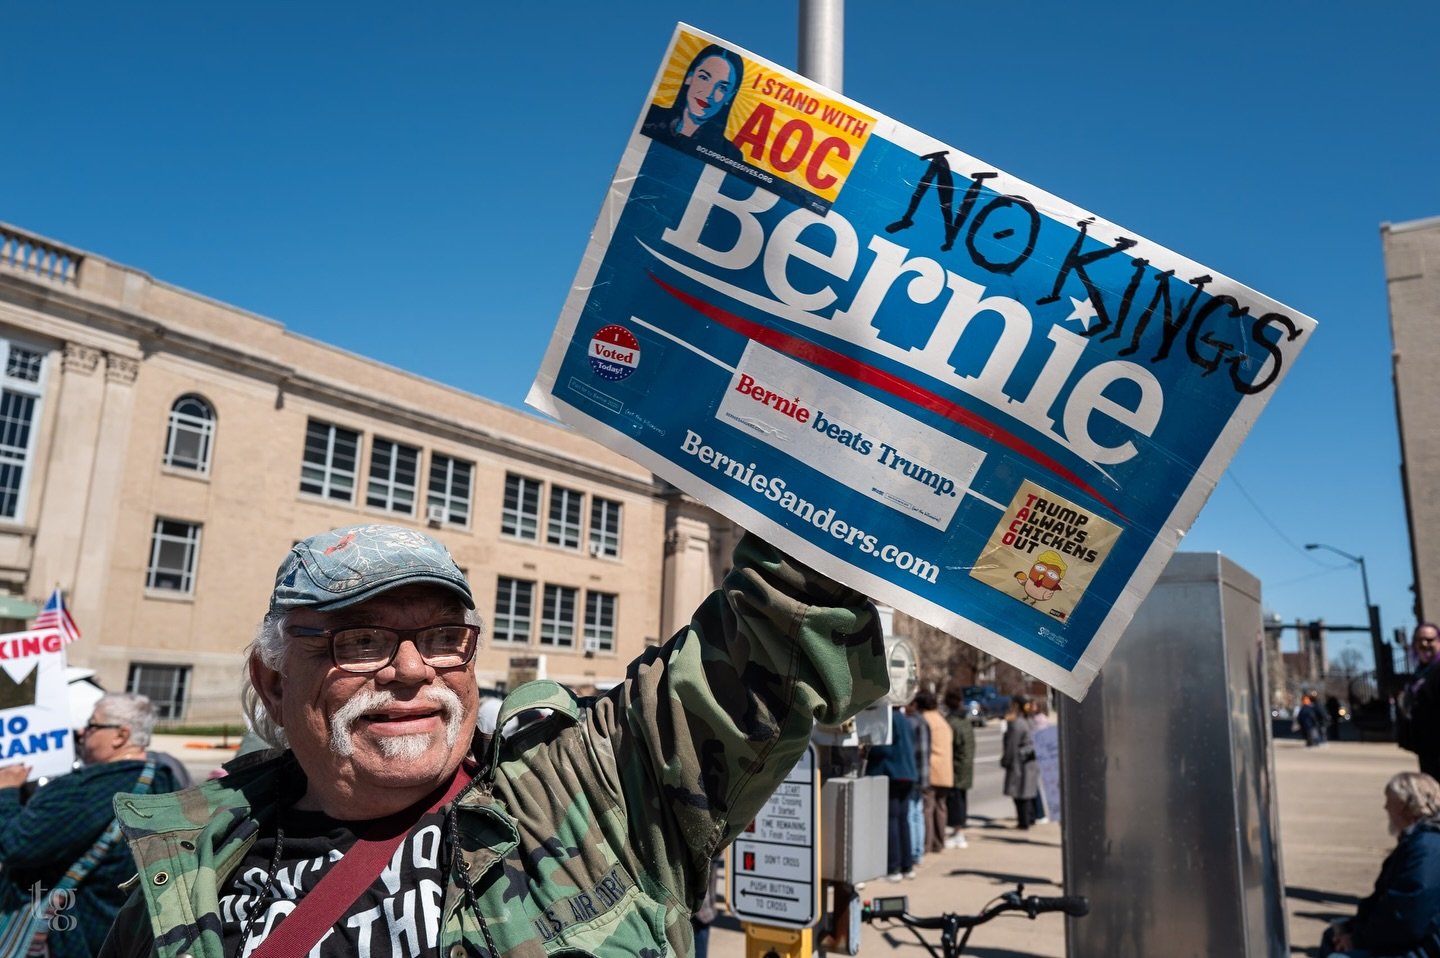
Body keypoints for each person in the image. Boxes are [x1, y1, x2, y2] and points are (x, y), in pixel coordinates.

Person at [101, 522, 886, 957]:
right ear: (273, 681)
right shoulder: (180, 877)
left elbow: (784, 621)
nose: (412, 670)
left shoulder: (594, 791)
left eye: (444, 635)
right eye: (361, 640)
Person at [0, 693, 180, 958]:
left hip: (69, 936)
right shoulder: (167, 780)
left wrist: (7, 792)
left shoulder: (84, 789)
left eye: (93, 725)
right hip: (128, 936)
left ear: (120, 735)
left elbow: (15, 844)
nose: (83, 731)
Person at [1320, 771, 1440, 957]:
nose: (1385, 807)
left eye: (1388, 800)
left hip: (1424, 946)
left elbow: (1408, 917)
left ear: (1402, 805)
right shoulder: (1417, 841)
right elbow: (1386, 903)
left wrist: (1358, 939)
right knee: (1333, 936)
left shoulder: (1426, 848)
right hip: (1414, 939)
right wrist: (1353, 929)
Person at [641, 43, 746, 164]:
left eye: (722, 87)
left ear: (730, 96)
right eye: (704, 77)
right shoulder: (650, 116)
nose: (708, 93)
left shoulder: (730, 155)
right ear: (689, 77)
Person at [864, 707, 917, 883]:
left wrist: (868, 748)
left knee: (892, 821)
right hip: (907, 773)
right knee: (903, 820)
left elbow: (883, 750)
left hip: (891, 773)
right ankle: (907, 866)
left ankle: (893, 867)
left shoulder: (887, 718)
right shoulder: (904, 718)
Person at [1397, 622, 1440, 779]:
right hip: (1427, 746)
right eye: (1419, 640)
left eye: (1429, 640)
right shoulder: (1420, 672)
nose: (1424, 644)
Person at [916, 691, 953, 854]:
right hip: (946, 771)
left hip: (931, 769)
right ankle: (940, 842)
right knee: (941, 807)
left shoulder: (925, 720)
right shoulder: (942, 721)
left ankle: (927, 844)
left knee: (927, 809)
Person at [1001, 695, 1039, 830]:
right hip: (1029, 762)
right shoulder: (1029, 721)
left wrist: (1006, 760)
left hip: (1019, 763)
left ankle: (1024, 821)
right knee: (1027, 792)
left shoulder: (1018, 724)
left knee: (1020, 793)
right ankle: (1030, 818)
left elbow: (1012, 745)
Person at [942, 688, 974, 849]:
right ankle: (958, 832)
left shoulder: (951, 722)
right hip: (966, 766)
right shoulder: (965, 721)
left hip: (955, 767)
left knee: (955, 802)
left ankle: (957, 833)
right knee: (961, 799)